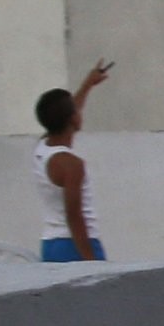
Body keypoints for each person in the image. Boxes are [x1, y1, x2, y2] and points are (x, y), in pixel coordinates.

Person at [32, 62, 112, 260]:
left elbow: (64, 112)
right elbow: (74, 216)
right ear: (73, 119)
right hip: (75, 246)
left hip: (51, 244)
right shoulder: (71, 164)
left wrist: (87, 85)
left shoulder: (42, 147)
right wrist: (91, 261)